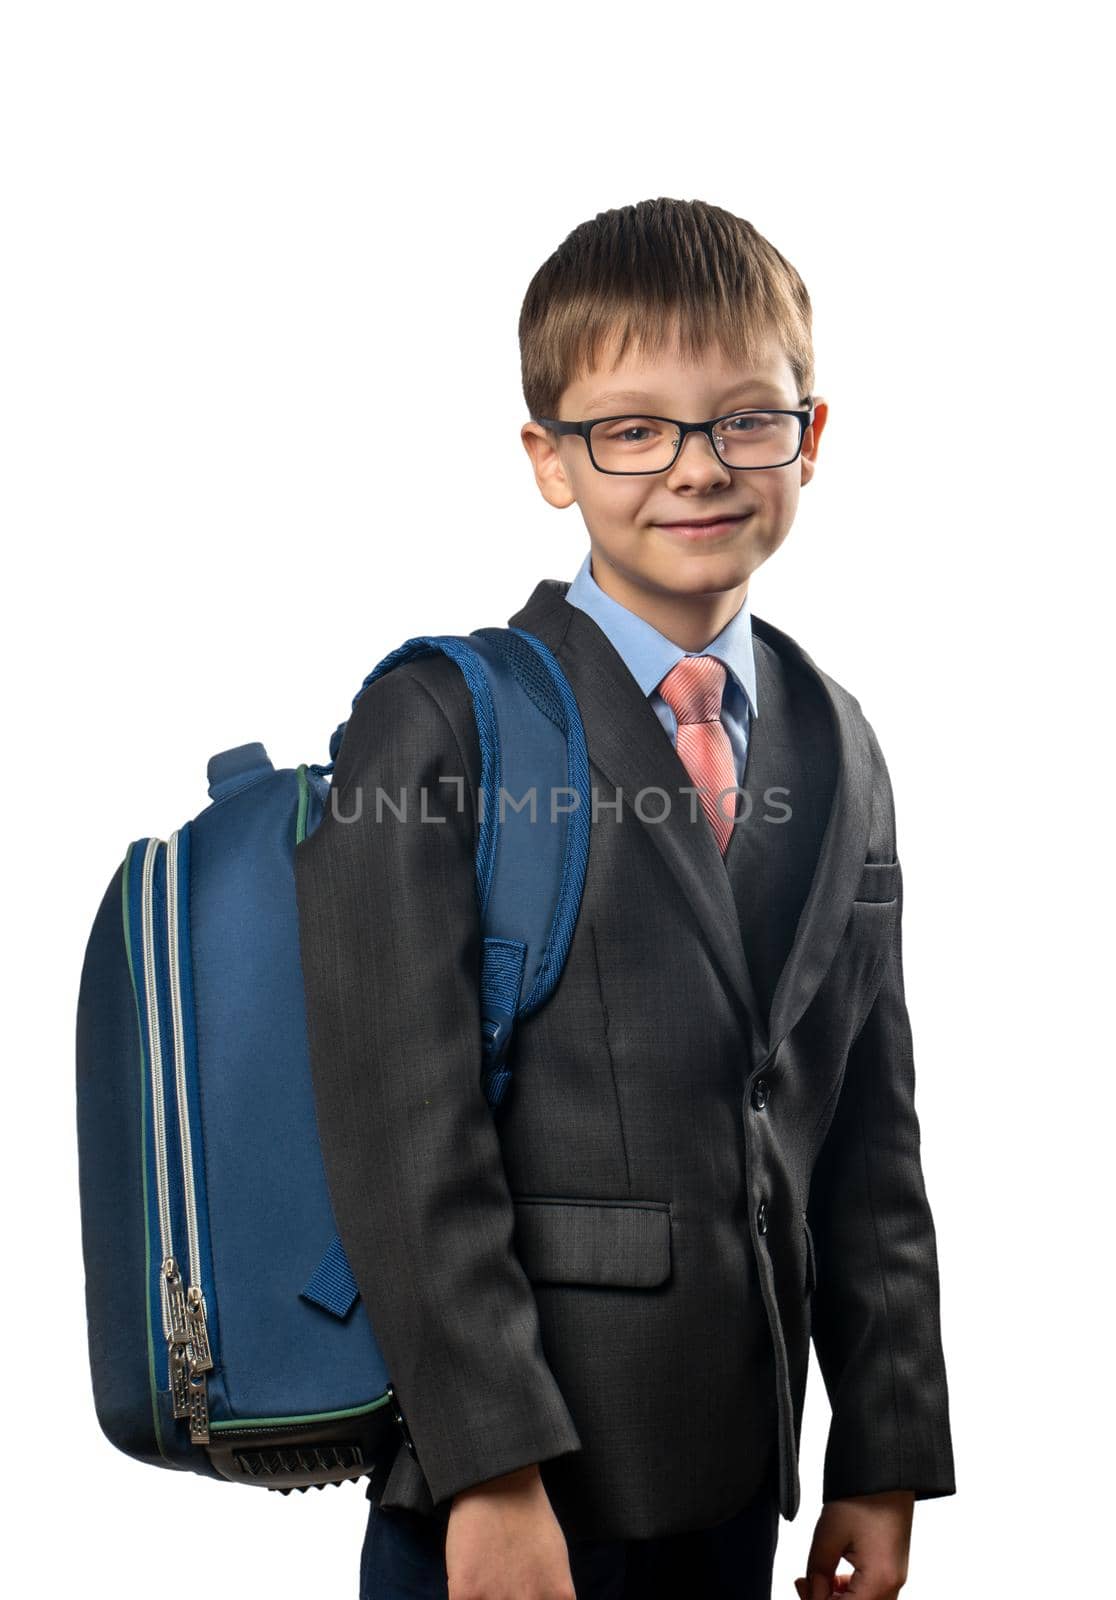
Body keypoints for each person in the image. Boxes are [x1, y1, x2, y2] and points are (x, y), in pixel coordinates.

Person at [293, 196, 956, 1600]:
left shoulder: (841, 742)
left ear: (812, 438)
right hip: (515, 1487)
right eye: (632, 429)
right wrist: (489, 1469)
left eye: (745, 421)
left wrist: (882, 1448)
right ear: (550, 458)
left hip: (738, 1482)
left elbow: (868, 1136)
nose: (697, 469)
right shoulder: (440, 726)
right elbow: (403, 1135)